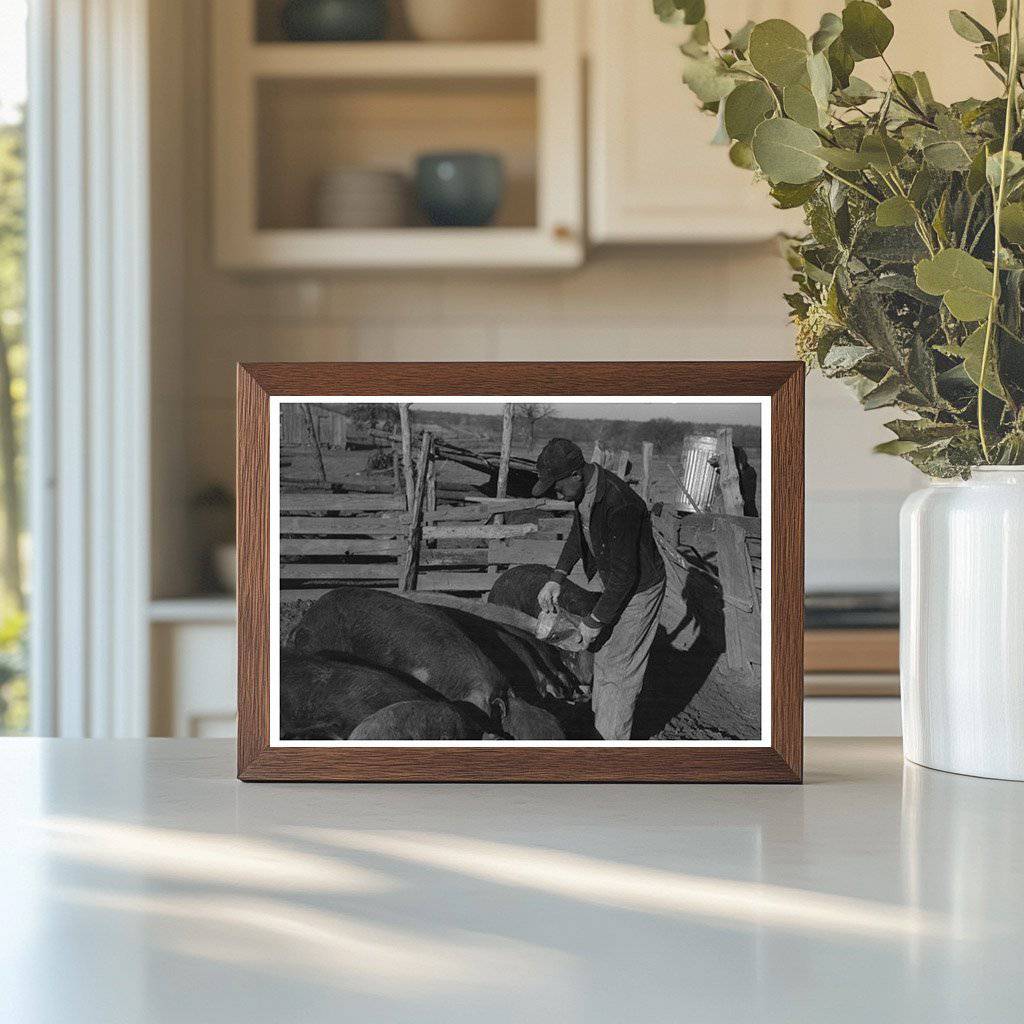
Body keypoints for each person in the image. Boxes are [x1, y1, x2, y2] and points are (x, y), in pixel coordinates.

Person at [532, 438, 666, 740]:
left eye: (556, 484)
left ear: (576, 474)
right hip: (618, 582)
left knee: (620, 670)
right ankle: (600, 729)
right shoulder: (585, 493)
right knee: (604, 656)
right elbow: (577, 534)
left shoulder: (620, 503)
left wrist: (594, 621)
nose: (555, 491)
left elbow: (625, 577)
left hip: (639, 589)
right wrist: (557, 577)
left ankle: (610, 748)